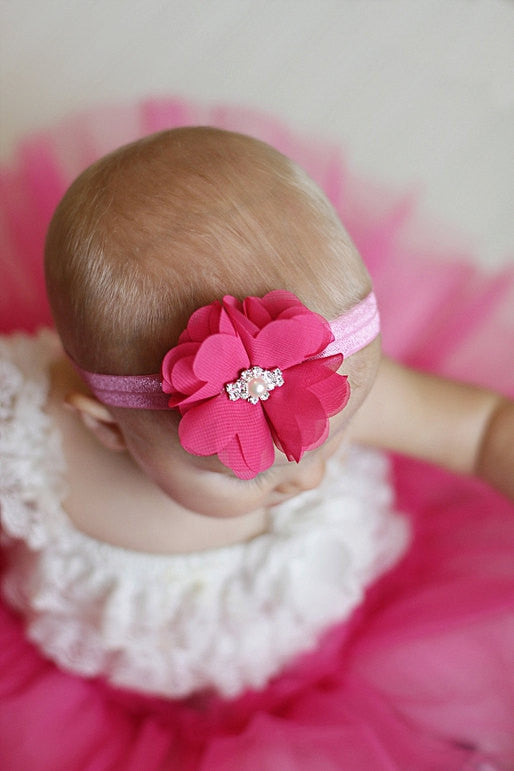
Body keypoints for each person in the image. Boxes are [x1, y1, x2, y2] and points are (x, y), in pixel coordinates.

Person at [1, 123, 513, 770]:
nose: (311, 476)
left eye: (340, 432)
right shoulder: (27, 434)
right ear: (105, 427)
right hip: (97, 688)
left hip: (341, 638)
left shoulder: (333, 384)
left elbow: (482, 429)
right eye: (246, 473)